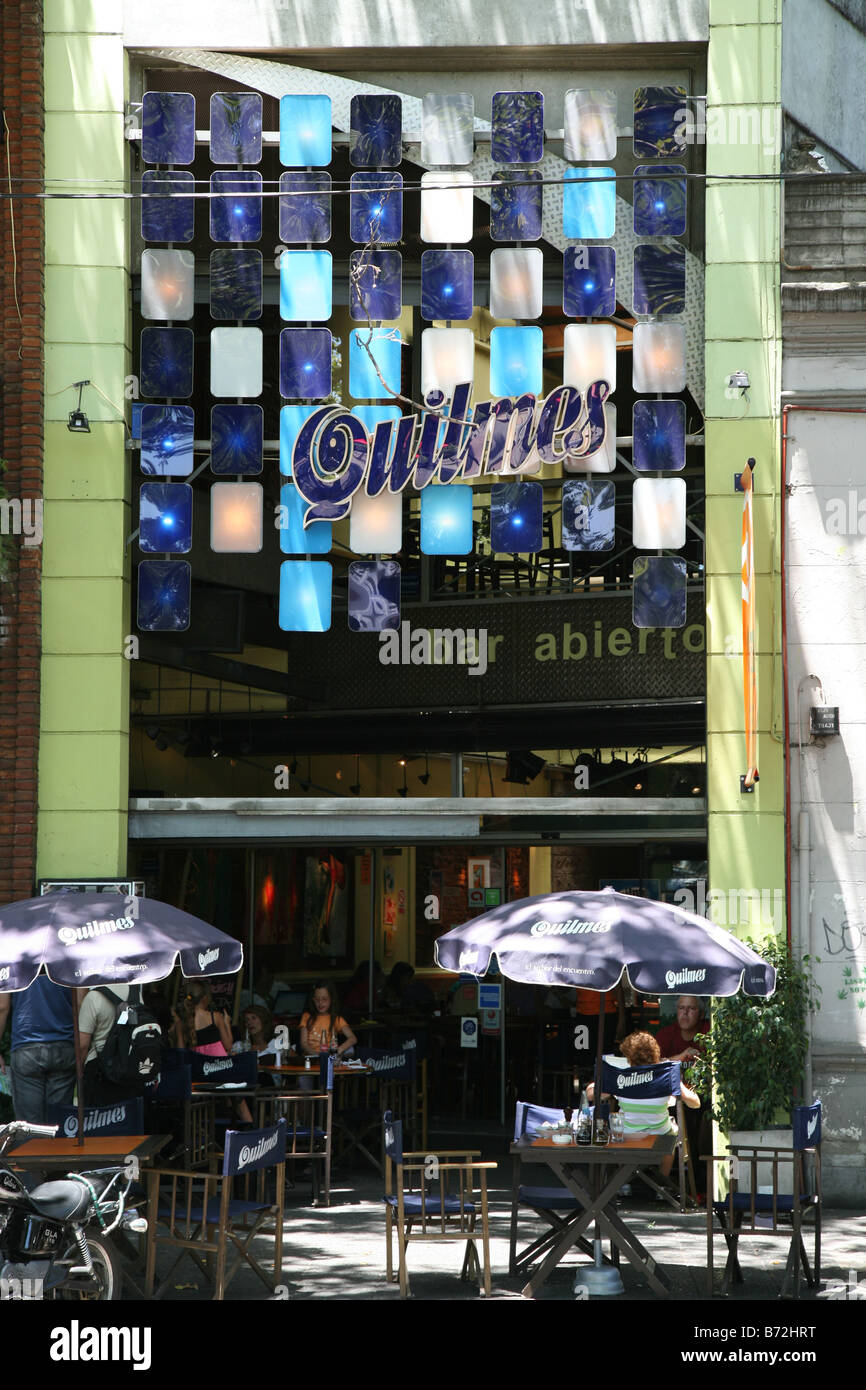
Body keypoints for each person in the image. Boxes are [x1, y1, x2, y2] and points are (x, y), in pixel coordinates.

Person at [588, 1030, 699, 1176]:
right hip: (659, 1143)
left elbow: (590, 1095)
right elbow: (695, 1103)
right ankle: (662, 1182)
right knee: (672, 1131)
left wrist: (605, 1082)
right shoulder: (666, 1077)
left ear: (629, 1058)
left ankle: (623, 1180)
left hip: (627, 1139)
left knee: (619, 1127)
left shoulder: (620, 1078)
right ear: (655, 1054)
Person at [170, 981, 252, 1123]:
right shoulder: (216, 1017)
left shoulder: (181, 1023)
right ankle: (249, 1128)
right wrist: (227, 1023)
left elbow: (181, 1053)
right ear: (205, 998)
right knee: (238, 1099)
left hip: (198, 1075)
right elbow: (228, 1045)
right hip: (220, 1071)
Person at [0, 979, 76, 1123]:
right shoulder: (70, 956)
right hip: (64, 1044)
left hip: (26, 1045)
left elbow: (2, 1006)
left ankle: (31, 1145)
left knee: (29, 1127)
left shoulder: (14, 956)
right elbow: (80, 1001)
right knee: (59, 1121)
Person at [78, 983, 138, 1107]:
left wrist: (78, 1072)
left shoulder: (93, 997)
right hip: (128, 1067)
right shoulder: (136, 994)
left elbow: (83, 1044)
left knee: (97, 1119)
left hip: (98, 1070)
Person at [299, 981, 357, 1059]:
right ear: (313, 999)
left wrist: (339, 1050)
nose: (320, 1003)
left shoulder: (336, 1019)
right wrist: (317, 1055)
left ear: (332, 999)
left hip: (328, 1059)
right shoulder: (307, 1016)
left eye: (324, 999)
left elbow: (352, 1038)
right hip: (310, 1059)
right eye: (317, 999)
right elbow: (304, 1043)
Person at [656, 995, 710, 1063]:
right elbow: (654, 1065)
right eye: (681, 1008)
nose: (685, 1012)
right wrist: (681, 1057)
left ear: (702, 1014)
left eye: (691, 1008)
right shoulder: (665, 1035)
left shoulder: (709, 1032)